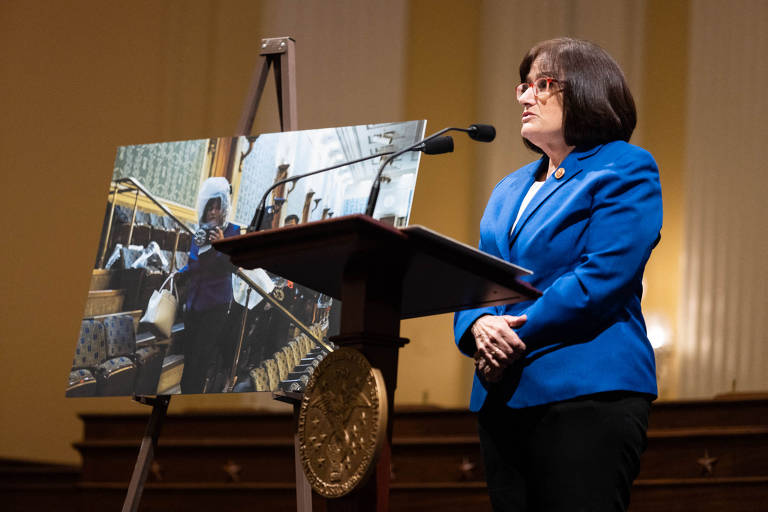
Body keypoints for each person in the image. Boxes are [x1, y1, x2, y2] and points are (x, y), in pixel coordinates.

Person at [453, 38, 662, 511]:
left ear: (587, 90)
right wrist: (476, 324)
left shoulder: (623, 166)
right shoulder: (508, 188)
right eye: (523, 87)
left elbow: (602, 275)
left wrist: (510, 332)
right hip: (501, 397)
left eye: (542, 84)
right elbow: (477, 276)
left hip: (586, 391)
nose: (526, 97)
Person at [178, 177, 241, 394]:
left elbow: (233, 266)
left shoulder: (233, 231)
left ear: (224, 208)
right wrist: (181, 273)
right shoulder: (199, 232)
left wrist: (221, 244)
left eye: (218, 207)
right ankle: (185, 396)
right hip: (193, 304)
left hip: (216, 306)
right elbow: (194, 265)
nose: (213, 212)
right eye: (210, 207)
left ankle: (192, 401)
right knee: (189, 357)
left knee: (201, 358)